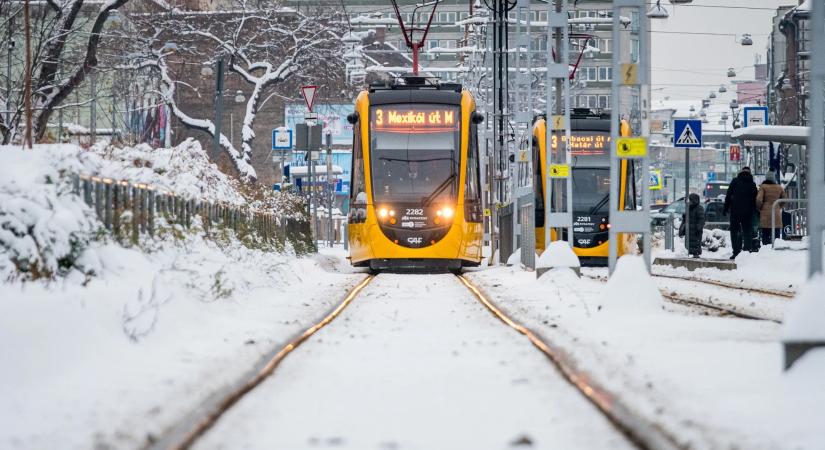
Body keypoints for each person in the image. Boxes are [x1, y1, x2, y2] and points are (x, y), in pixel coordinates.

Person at [723, 166, 758, 258]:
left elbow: (728, 195)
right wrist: (755, 211)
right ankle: (746, 250)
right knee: (747, 232)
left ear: (741, 172)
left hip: (735, 211)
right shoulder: (752, 184)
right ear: (750, 173)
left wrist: (725, 208)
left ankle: (736, 251)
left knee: (734, 232)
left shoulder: (735, 181)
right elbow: (755, 200)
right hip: (748, 212)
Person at [756, 172, 786, 245]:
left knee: (766, 234)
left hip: (765, 214)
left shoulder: (763, 187)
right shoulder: (779, 188)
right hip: (776, 213)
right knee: (776, 236)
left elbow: (759, 200)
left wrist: (760, 208)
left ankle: (766, 250)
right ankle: (775, 250)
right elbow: (784, 200)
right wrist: (779, 206)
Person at [679, 193, 705, 257]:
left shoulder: (699, 208)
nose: (689, 202)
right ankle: (691, 255)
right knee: (689, 245)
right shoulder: (688, 209)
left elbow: (701, 219)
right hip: (689, 231)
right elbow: (685, 221)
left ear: (694, 201)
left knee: (695, 245)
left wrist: (699, 228)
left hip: (696, 231)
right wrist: (681, 229)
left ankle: (696, 256)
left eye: (690, 201)